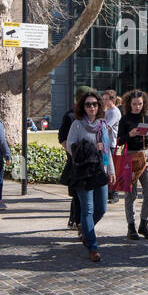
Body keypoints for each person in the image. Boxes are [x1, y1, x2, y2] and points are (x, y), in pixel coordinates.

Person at [65, 91, 117, 261]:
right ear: (83, 107)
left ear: (100, 106)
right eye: (88, 104)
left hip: (99, 171)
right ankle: (93, 247)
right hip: (83, 172)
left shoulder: (103, 125)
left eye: (94, 104)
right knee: (87, 209)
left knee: (101, 208)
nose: (92, 107)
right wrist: (93, 147)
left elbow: (107, 149)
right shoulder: (78, 125)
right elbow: (70, 147)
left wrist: (111, 170)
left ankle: (85, 229)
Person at [117, 89, 148, 241]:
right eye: (134, 104)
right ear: (129, 104)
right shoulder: (125, 119)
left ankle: (144, 223)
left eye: (140, 104)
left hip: (144, 155)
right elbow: (118, 141)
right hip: (129, 156)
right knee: (131, 194)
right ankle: (131, 226)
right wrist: (130, 134)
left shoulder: (147, 118)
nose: (137, 107)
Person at [58, 88, 93, 230]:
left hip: (91, 162)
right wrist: (74, 155)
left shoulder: (91, 116)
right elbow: (63, 138)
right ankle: (76, 221)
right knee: (78, 194)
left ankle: (78, 221)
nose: (91, 105)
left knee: (84, 195)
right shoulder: (70, 116)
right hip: (76, 162)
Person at [102, 90, 122, 200]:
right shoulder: (107, 111)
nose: (104, 101)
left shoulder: (114, 112)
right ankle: (108, 191)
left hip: (110, 144)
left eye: (106, 99)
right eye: (103, 99)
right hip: (105, 144)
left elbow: (106, 127)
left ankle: (114, 193)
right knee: (106, 169)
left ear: (112, 100)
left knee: (112, 169)